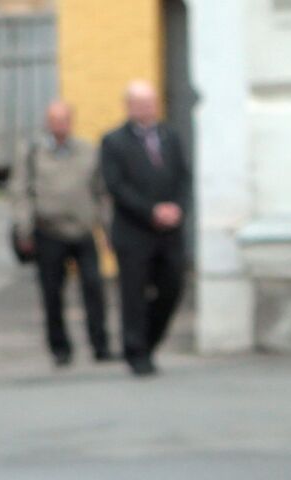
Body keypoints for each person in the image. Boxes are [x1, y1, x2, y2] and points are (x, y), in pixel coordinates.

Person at [9, 99, 111, 366]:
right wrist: (24, 229)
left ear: (71, 121)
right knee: (52, 294)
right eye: (54, 120)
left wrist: (106, 228)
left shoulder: (88, 151)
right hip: (49, 232)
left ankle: (100, 345)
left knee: (94, 287)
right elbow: (20, 192)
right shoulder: (33, 154)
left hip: (83, 231)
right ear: (47, 123)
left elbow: (101, 191)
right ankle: (60, 349)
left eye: (64, 120)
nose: (59, 125)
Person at [99, 80, 190, 376]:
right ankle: (136, 352)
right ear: (129, 106)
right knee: (133, 295)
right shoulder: (113, 141)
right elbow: (116, 186)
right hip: (134, 232)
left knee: (172, 287)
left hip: (170, 232)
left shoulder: (170, 136)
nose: (147, 108)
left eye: (151, 102)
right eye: (140, 103)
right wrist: (151, 211)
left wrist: (177, 207)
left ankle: (149, 341)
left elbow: (183, 178)